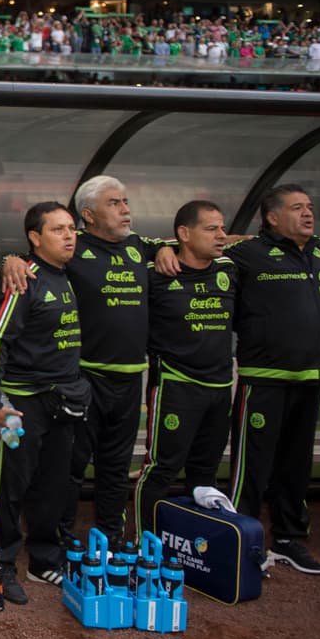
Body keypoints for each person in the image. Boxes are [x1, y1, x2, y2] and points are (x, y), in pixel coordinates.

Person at [1, 175, 176, 547]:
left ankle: (110, 541)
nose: (126, 209)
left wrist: (163, 247)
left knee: (116, 468)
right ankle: (63, 540)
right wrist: (9, 260)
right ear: (89, 215)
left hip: (130, 379)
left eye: (126, 202)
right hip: (83, 379)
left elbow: (183, 242)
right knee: (69, 468)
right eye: (115, 203)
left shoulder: (139, 247)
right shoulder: (72, 249)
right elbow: (32, 260)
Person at [0, 201, 86, 607]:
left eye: (72, 228)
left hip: (63, 401)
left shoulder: (69, 274)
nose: (69, 236)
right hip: (21, 404)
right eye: (58, 230)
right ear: (35, 238)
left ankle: (43, 559)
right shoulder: (24, 279)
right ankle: (1, 563)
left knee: (54, 485)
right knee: (12, 486)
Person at [226, 184, 320, 575]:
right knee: (252, 465)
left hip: (310, 379)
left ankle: (289, 540)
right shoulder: (245, 254)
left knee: (296, 466)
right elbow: (200, 247)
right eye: (296, 208)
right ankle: (241, 540)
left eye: (309, 207)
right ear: (272, 217)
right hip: (263, 379)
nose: (308, 214)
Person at [133, 201, 237, 534]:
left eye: (222, 228)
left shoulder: (230, 269)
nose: (221, 236)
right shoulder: (155, 274)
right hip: (176, 386)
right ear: (184, 234)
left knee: (206, 474)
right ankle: (144, 546)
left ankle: (197, 548)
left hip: (221, 388)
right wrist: (161, 248)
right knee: (161, 470)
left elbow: (252, 241)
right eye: (211, 229)